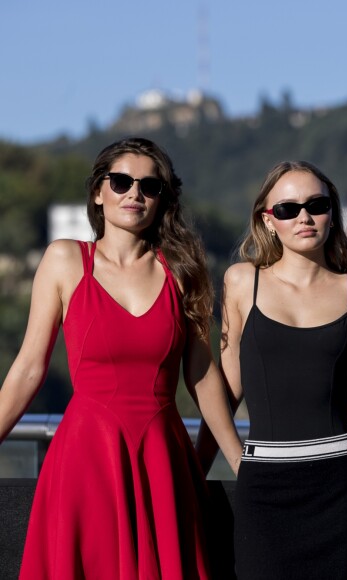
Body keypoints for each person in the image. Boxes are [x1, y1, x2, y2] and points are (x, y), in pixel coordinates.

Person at [0, 137, 243, 579]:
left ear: (162, 199)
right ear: (98, 192)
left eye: (150, 186)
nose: (135, 193)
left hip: (163, 461)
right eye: (121, 182)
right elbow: (29, 368)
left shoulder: (183, 271)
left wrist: (242, 462)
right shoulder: (64, 260)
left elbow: (203, 377)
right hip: (85, 458)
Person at [195, 160, 347, 580]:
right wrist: (204, 471)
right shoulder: (240, 282)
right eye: (288, 209)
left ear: (333, 213)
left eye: (316, 205)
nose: (304, 217)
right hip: (263, 493)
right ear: (268, 221)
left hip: (343, 491)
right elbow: (226, 388)